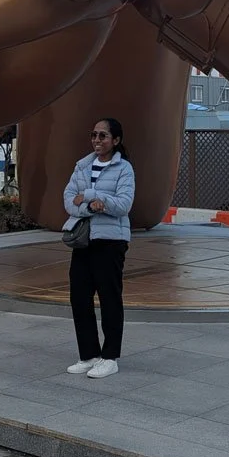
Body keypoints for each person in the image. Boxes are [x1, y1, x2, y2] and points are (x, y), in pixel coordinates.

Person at [63, 118, 135, 379]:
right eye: (94, 134)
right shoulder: (82, 166)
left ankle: (110, 357)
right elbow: (69, 200)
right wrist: (92, 205)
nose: (97, 140)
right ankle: (89, 354)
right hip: (84, 239)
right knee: (79, 297)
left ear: (115, 140)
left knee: (109, 298)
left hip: (111, 241)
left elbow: (123, 204)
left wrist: (94, 198)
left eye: (103, 136)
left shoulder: (123, 169)